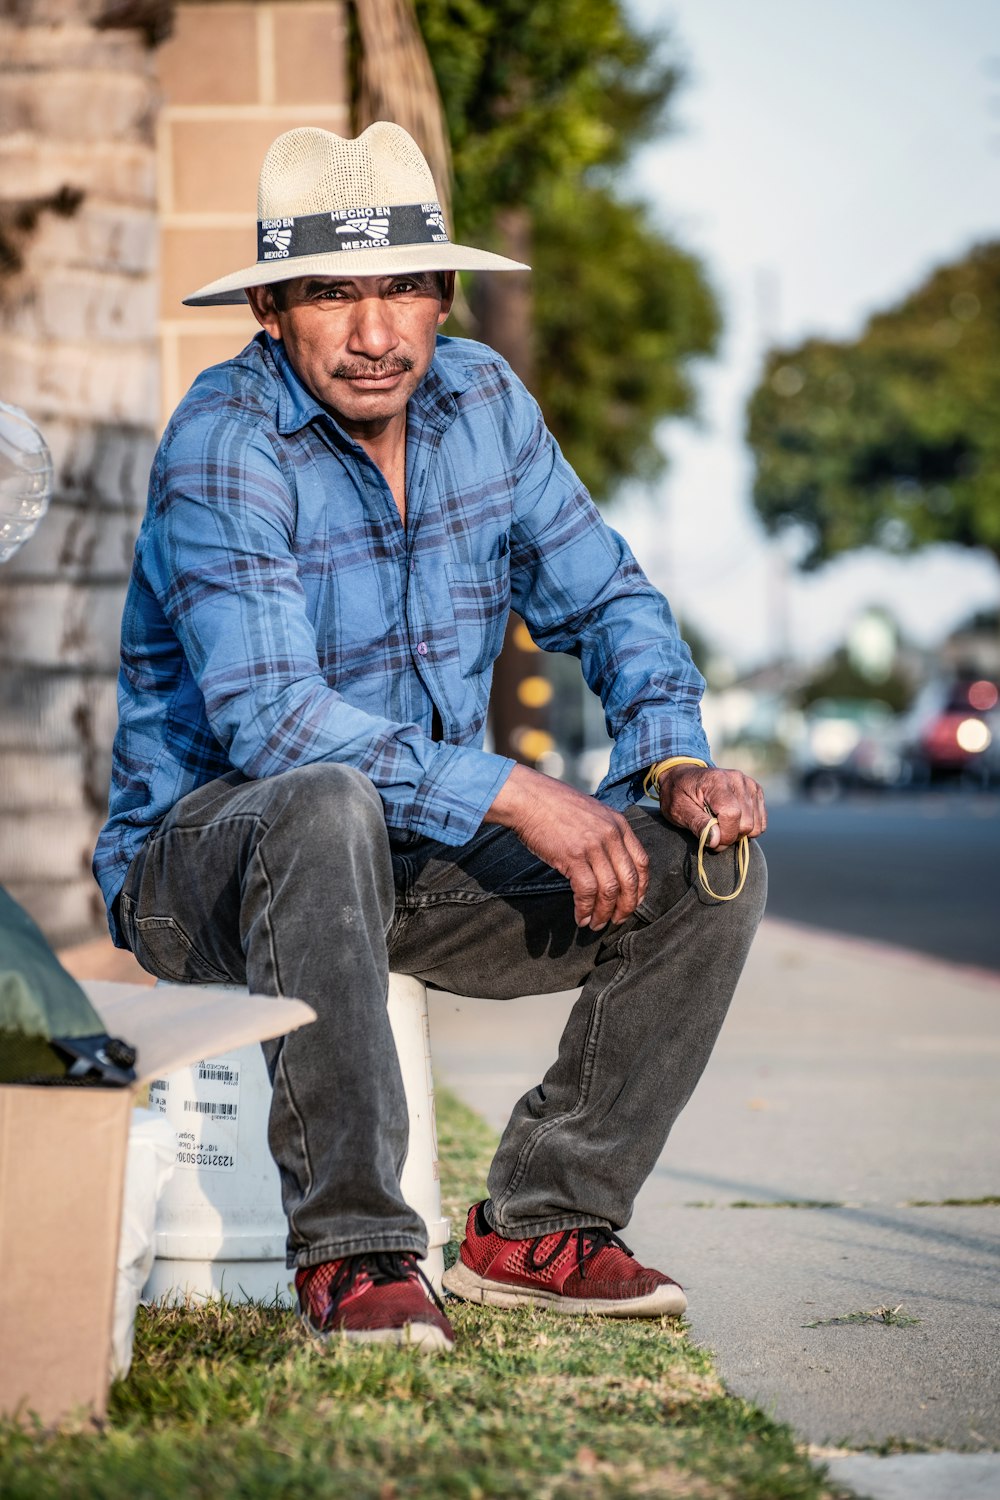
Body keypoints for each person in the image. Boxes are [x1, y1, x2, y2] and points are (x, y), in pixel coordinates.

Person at [94, 122, 767, 1354]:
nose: (374, 330)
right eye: (331, 293)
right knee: (322, 798)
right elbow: (272, 722)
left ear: (442, 293)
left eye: (403, 285)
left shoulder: (484, 404)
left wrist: (670, 759)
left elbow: (610, 597)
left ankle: (541, 1225)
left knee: (706, 861)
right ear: (275, 310)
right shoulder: (223, 438)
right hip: (205, 871)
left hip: (408, 863)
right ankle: (355, 1253)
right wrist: (520, 793)